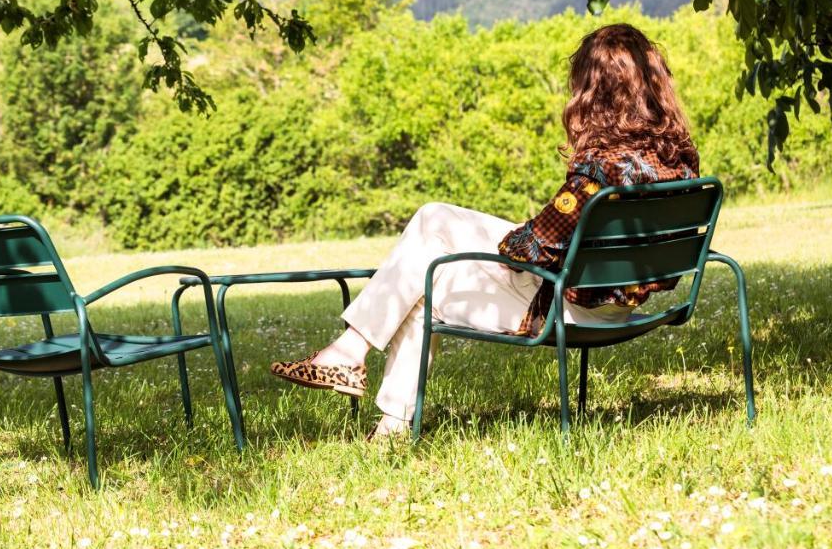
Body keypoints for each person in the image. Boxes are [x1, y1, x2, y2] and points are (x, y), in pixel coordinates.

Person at [270, 23, 700, 438]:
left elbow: (530, 249)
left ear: (595, 93)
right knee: (433, 217)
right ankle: (359, 373)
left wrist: (513, 238)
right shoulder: (679, 161)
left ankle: (369, 388)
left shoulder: (600, 170)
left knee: (427, 282)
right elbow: (564, 236)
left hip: (570, 311)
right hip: (619, 303)